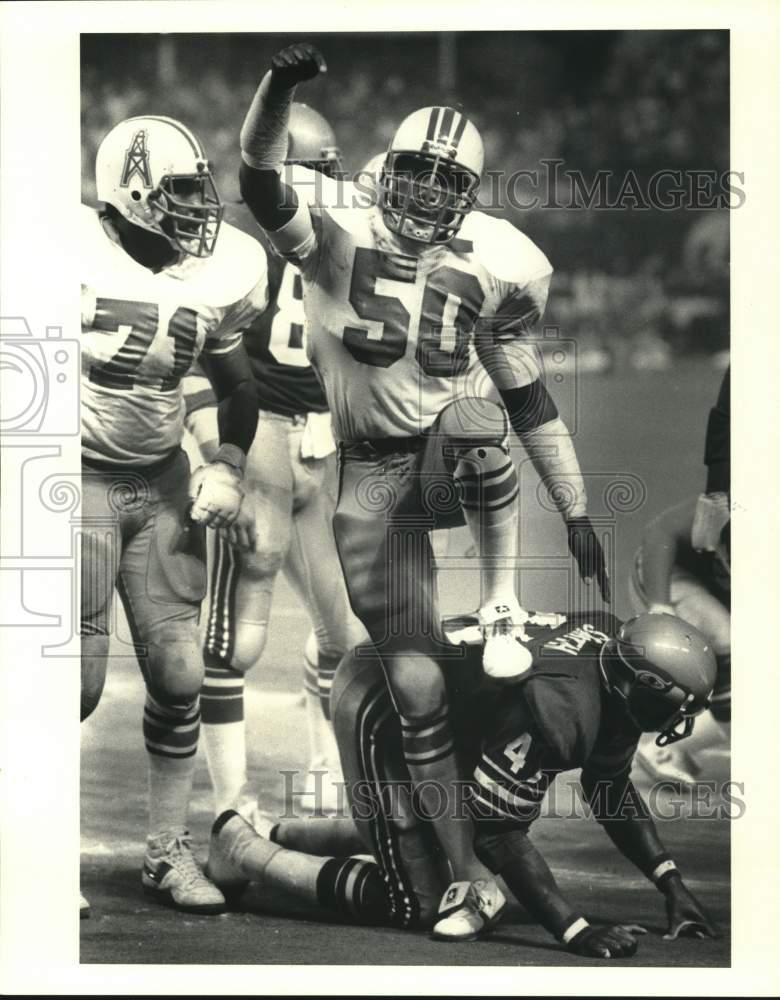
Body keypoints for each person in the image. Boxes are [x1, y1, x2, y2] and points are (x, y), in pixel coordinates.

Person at [234, 41, 609, 939]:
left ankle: (506, 601)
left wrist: (580, 507)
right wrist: (279, 85)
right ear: (385, 172)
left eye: (447, 183)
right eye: (414, 175)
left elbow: (528, 399)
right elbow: (256, 174)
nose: (426, 194)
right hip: (369, 476)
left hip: (441, 460)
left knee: (478, 422)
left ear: (469, 197)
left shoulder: (499, 261)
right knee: (417, 687)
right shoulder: (336, 233)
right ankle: (466, 875)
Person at [206, 610, 720, 957]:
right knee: (418, 900)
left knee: (452, 828)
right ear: (643, 687)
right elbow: (499, 833)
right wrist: (574, 928)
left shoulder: (610, 661)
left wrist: (669, 882)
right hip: (383, 697)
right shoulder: (563, 707)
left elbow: (608, 786)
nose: (682, 718)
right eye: (679, 704)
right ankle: (241, 848)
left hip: (446, 704)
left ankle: (286, 835)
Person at [80, 115, 267, 915]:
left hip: (159, 480)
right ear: (128, 194)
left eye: (199, 190)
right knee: (71, 683)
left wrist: (225, 464)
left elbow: (238, 386)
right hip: (70, 476)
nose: (199, 208)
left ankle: (165, 851)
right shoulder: (62, 253)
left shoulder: (220, 273)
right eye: (180, 191)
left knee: (182, 672)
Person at [182, 103, 365, 821]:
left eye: (330, 171)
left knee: (343, 631)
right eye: (317, 171)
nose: (329, 184)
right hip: (260, 436)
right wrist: (215, 453)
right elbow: (205, 359)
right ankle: (231, 804)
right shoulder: (232, 247)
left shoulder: (343, 239)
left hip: (323, 439)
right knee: (238, 637)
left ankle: (327, 769)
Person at [630, 368, 731, 785]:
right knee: (737, 653)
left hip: (710, 582)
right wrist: (660, 609)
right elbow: (661, 533)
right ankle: (661, 746)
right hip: (668, 574)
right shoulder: (732, 505)